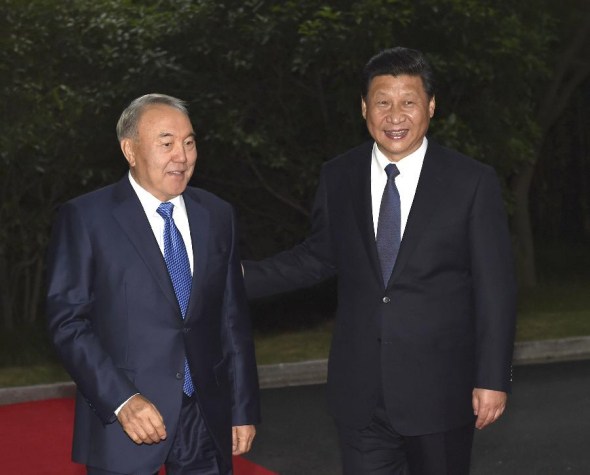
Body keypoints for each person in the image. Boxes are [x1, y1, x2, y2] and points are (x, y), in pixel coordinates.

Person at [242, 47, 516, 474]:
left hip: (442, 392)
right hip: (360, 396)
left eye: (408, 102)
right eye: (382, 102)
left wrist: (493, 377)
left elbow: (495, 288)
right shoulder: (339, 175)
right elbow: (315, 257)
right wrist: (231, 277)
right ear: (364, 108)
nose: (395, 115)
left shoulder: (471, 181)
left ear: (430, 106)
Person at [46, 94, 260, 475]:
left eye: (189, 142)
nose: (182, 155)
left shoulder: (217, 214)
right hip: (126, 419)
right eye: (166, 143)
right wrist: (122, 400)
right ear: (130, 150)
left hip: (205, 418)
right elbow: (68, 323)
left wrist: (242, 407)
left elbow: (232, 319)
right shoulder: (86, 218)